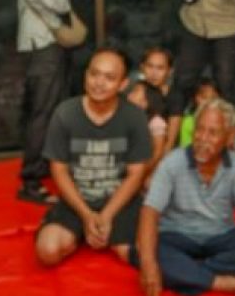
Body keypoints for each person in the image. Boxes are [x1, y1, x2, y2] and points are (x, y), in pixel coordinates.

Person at [131, 98, 235, 296]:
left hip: (220, 235)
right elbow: (149, 212)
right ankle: (218, 282)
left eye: (213, 132)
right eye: (200, 130)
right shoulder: (172, 163)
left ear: (230, 136)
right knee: (146, 253)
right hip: (177, 235)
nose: (202, 139)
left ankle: (187, 274)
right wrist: (149, 263)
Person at [34, 47, 151, 267]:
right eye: (94, 74)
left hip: (120, 203)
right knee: (47, 252)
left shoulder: (134, 117)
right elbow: (58, 170)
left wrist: (106, 215)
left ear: (123, 84)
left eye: (109, 78)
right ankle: (84, 232)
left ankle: (103, 232)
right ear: (85, 75)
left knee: (136, 255)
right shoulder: (65, 113)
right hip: (77, 201)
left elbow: (136, 174)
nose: (99, 83)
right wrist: (87, 216)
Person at [12, 0, 82, 204]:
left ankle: (50, 168)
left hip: (50, 44)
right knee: (42, 113)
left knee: (55, 110)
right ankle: (31, 179)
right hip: (43, 46)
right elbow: (57, 1)